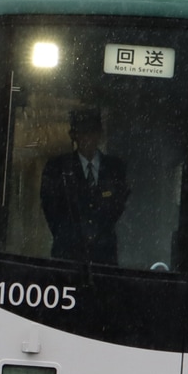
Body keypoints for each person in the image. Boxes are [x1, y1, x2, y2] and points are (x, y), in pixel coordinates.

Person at [39, 107, 129, 264]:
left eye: (92, 131)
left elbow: (117, 207)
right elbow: (51, 211)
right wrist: (72, 236)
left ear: (100, 134)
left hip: (104, 259)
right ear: (73, 135)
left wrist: (98, 233)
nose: (88, 138)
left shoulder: (115, 168)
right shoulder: (58, 168)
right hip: (68, 257)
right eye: (82, 132)